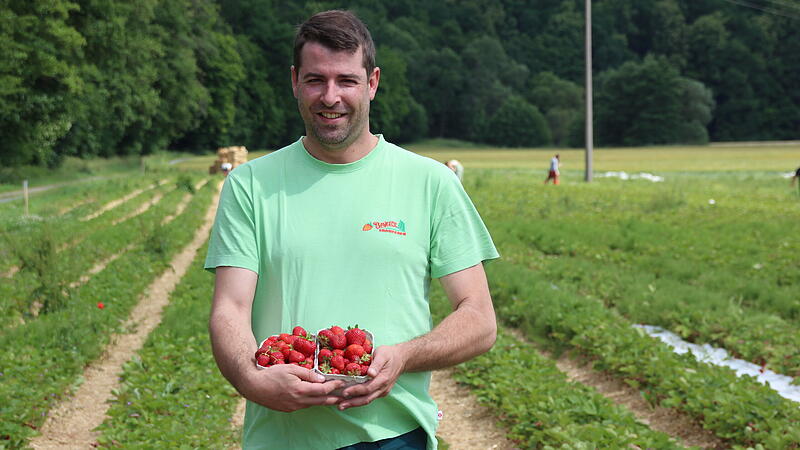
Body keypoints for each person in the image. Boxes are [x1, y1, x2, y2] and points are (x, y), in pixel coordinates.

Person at [204, 10, 498, 450]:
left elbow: (479, 318)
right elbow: (230, 307)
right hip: (282, 439)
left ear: (373, 82)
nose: (330, 96)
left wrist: (402, 357)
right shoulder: (251, 184)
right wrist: (252, 379)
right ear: (294, 82)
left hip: (393, 437)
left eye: (346, 80)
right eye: (315, 80)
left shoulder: (429, 182)